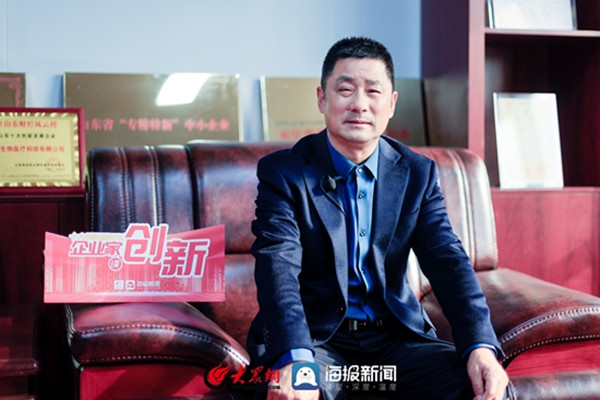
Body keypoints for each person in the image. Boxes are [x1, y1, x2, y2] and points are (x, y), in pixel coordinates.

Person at [247, 36, 510, 400]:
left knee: (481, 385)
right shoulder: (284, 173)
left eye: (373, 91)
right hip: (318, 343)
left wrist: (480, 346)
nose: (359, 104)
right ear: (322, 98)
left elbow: (448, 261)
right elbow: (278, 266)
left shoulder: (417, 174)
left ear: (392, 103)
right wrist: (296, 357)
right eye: (345, 90)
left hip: (395, 344)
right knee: (301, 391)